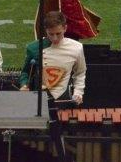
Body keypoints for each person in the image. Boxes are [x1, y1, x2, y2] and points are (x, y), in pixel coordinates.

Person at [20, 11, 85, 162]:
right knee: (37, 149)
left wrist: (78, 92)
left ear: (65, 28)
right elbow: (25, 73)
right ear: (45, 31)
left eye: (58, 34)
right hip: (39, 102)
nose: (55, 38)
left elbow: (80, 73)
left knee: (62, 144)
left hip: (63, 102)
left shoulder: (76, 48)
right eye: (51, 34)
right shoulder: (34, 48)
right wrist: (24, 85)